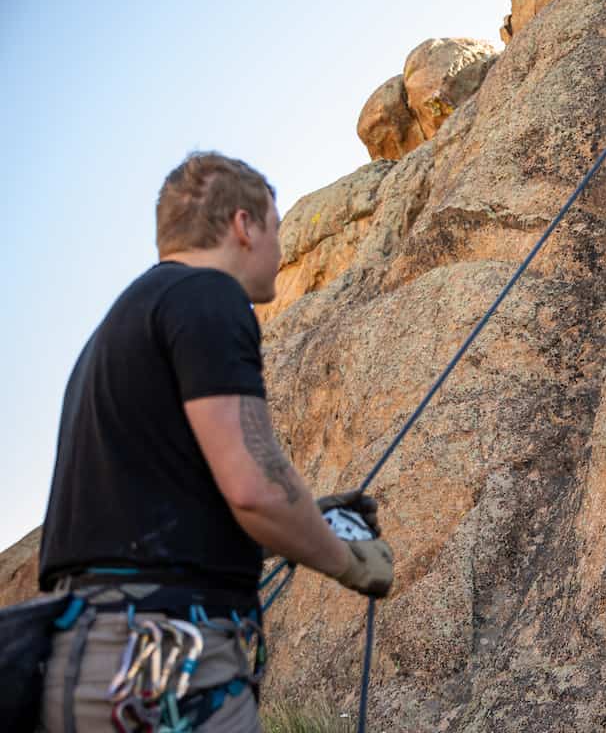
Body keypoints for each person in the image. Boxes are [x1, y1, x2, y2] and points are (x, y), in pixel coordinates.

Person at [36, 152, 396, 731]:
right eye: (275, 229)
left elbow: (154, 521)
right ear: (242, 225)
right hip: (167, 659)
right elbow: (254, 488)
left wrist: (308, 520)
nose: (280, 250)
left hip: (85, 657)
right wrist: (350, 562)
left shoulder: (113, 334)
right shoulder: (209, 297)